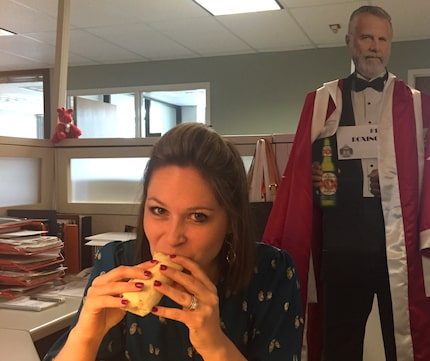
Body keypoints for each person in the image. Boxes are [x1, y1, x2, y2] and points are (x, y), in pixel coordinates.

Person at [44, 122, 303, 361]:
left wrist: (215, 345)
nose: (172, 237)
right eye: (159, 211)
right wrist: (87, 334)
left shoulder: (273, 272)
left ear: (231, 221)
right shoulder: (117, 262)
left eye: (198, 216)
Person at [262, 5, 430, 361]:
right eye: (367, 36)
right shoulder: (322, 101)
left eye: (383, 39)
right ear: (349, 41)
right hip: (340, 247)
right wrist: (318, 179)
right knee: (339, 346)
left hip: (396, 249)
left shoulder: (416, 105)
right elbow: (303, 181)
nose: (375, 46)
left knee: (404, 342)